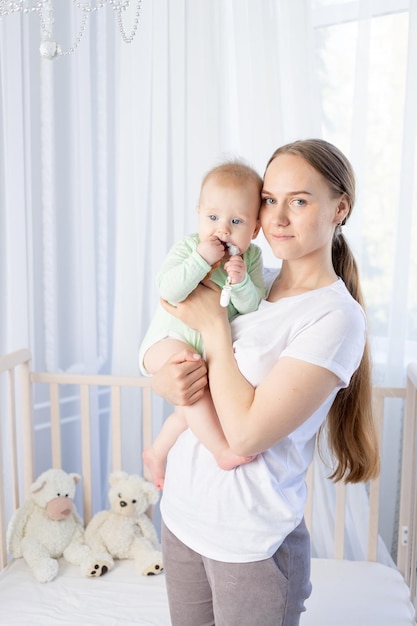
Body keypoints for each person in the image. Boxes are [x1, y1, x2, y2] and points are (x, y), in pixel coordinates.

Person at [150, 139, 380, 626]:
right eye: (269, 200)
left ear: (340, 208)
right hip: (184, 518)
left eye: (299, 200)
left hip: (248, 543)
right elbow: (181, 352)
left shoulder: (335, 316)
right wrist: (166, 379)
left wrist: (212, 325)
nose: (277, 217)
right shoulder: (254, 281)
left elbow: (247, 435)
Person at [139, 160, 266, 489]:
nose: (222, 230)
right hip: (167, 340)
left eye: (236, 221)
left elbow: (251, 307)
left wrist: (240, 282)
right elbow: (169, 290)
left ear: (254, 229)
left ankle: (156, 451)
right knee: (192, 373)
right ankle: (221, 449)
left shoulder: (250, 259)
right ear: (198, 215)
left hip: (203, 346)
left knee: (191, 406)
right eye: (212, 218)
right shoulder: (187, 247)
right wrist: (201, 259)